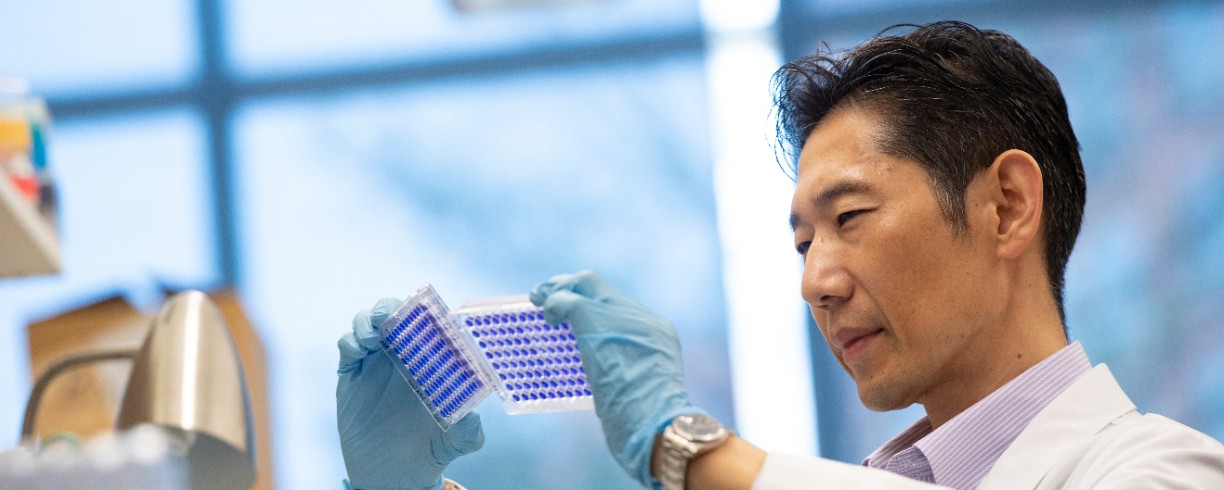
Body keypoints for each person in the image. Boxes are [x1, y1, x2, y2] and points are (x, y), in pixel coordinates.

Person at [335, 21, 1224, 489]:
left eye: (851, 217)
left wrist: (684, 448)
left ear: (1007, 205)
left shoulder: (1162, 470)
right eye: (803, 241)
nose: (816, 282)